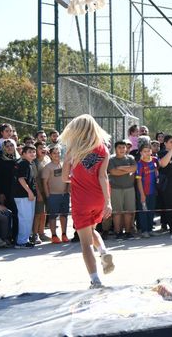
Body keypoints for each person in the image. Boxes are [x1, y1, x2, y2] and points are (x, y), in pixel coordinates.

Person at [58, 114, 115, 288]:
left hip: (81, 199)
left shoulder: (72, 151)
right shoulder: (102, 149)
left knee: (85, 242)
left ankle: (95, 279)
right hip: (99, 197)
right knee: (90, 230)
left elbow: (64, 178)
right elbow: (103, 176)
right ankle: (104, 252)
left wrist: (77, 177)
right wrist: (108, 202)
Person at [107, 140, 137, 239]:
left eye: (124, 147)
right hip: (115, 189)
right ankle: (118, 232)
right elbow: (113, 172)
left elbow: (134, 168)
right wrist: (127, 170)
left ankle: (128, 232)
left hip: (129, 189)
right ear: (115, 149)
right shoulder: (111, 159)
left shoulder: (131, 158)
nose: (122, 149)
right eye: (119, 147)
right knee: (117, 212)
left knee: (129, 212)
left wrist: (120, 168)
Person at [42, 145, 70, 243]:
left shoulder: (64, 164)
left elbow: (68, 179)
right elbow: (44, 182)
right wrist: (48, 195)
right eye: (54, 153)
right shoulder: (47, 167)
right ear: (50, 154)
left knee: (64, 215)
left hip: (64, 195)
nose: (57, 155)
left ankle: (64, 234)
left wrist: (67, 191)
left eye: (58, 153)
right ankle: (54, 235)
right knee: (53, 216)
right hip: (53, 195)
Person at [12, 145, 37, 248]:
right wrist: (29, 192)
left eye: (33, 151)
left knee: (28, 218)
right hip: (22, 195)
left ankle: (24, 240)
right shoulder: (23, 164)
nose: (32, 153)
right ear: (24, 153)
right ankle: (21, 242)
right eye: (30, 152)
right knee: (24, 219)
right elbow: (21, 179)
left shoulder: (29, 163)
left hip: (26, 195)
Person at [135, 144, 159, 238]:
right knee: (143, 211)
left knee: (151, 210)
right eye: (145, 151)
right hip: (143, 192)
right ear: (141, 153)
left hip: (153, 191)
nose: (147, 153)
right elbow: (138, 180)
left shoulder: (154, 160)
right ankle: (144, 230)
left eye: (148, 151)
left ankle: (150, 229)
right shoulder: (140, 164)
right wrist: (142, 194)